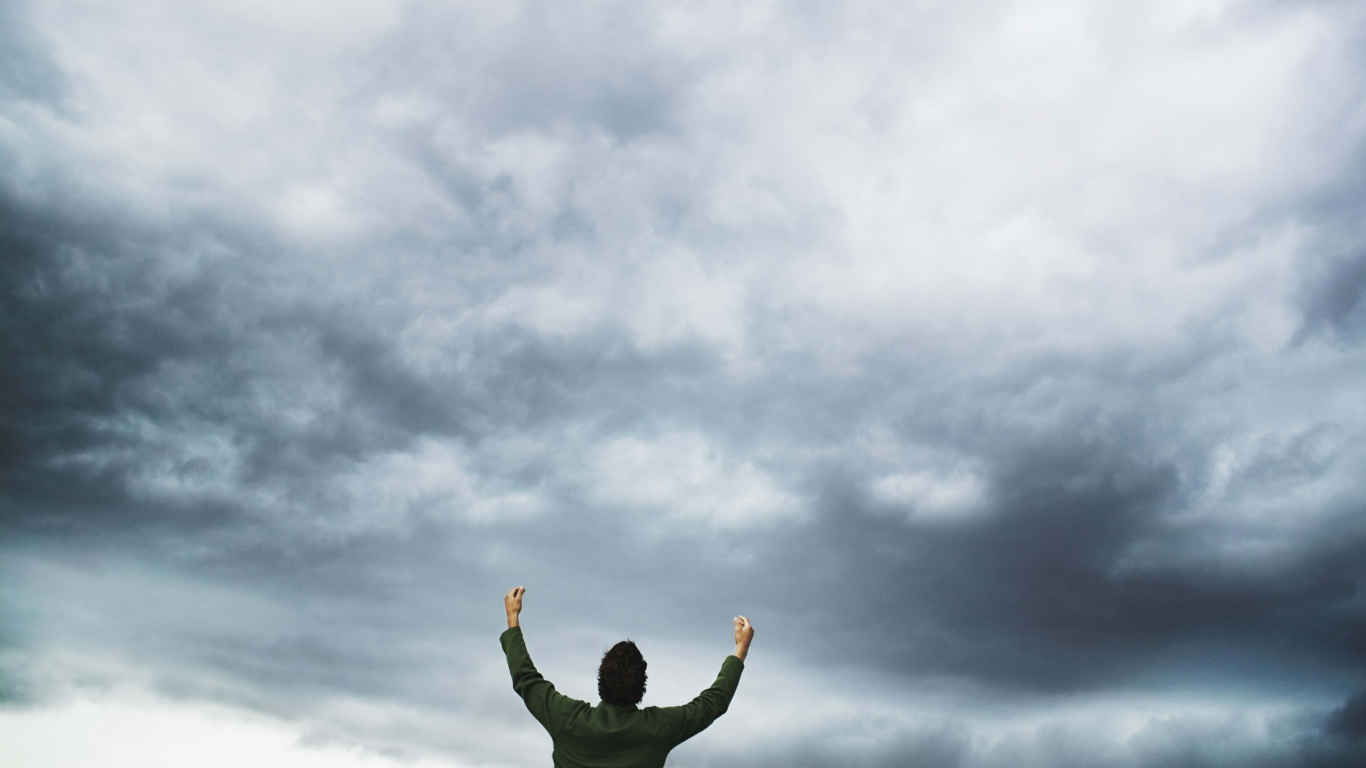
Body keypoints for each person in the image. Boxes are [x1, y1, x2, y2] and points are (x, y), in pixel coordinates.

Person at [499, 586, 754, 768]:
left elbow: (526, 679)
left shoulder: (568, 720)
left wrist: (513, 619)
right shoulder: (658, 728)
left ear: (601, 679)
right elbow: (712, 704)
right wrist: (740, 649)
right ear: (642, 686)